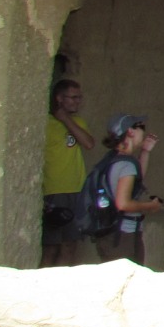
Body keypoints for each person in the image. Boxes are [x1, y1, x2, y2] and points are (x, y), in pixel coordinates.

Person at [94, 113, 163, 266]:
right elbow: (123, 204)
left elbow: (136, 182)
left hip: (113, 233)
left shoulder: (115, 159)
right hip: (122, 235)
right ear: (130, 132)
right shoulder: (126, 165)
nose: (143, 132)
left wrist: (145, 152)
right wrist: (150, 206)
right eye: (141, 128)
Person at [40, 79, 94, 266]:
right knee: (51, 246)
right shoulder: (45, 123)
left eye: (79, 98)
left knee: (70, 245)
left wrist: (66, 119)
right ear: (59, 98)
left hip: (77, 190)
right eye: (73, 97)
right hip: (53, 190)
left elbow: (88, 143)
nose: (77, 102)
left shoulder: (77, 122)